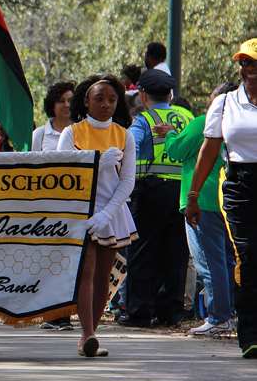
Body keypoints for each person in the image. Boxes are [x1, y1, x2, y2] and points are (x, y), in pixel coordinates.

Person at [186, 38, 257, 358]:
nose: (248, 68)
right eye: (244, 62)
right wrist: (193, 196)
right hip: (239, 184)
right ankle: (250, 335)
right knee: (248, 256)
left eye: (254, 62)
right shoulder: (225, 103)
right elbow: (209, 150)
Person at [57, 74, 137, 357]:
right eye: (99, 99)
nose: (106, 105)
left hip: (111, 213)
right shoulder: (71, 133)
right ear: (86, 101)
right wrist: (96, 164)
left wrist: (106, 214)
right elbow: (63, 176)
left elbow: (128, 181)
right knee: (86, 271)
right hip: (80, 211)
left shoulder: (125, 135)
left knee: (104, 275)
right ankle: (88, 334)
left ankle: (89, 336)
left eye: (112, 100)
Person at [157, 81, 238, 337]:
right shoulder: (236, 124)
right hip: (227, 200)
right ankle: (229, 315)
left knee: (209, 263)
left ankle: (218, 317)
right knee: (226, 261)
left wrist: (170, 133)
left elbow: (176, 150)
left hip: (201, 201)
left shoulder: (204, 122)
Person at [118, 69, 193, 329]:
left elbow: (129, 149)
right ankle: (170, 312)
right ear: (170, 95)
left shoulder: (145, 120)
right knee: (176, 253)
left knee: (143, 252)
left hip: (152, 191)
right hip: (183, 192)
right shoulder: (186, 117)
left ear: (142, 96)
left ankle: (139, 312)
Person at [32, 81, 76, 330]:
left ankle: (66, 314)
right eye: (61, 101)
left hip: (75, 208)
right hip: (47, 209)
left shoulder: (82, 130)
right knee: (48, 260)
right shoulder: (39, 134)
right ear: (53, 105)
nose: (66, 105)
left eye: (70, 100)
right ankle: (50, 313)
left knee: (70, 260)